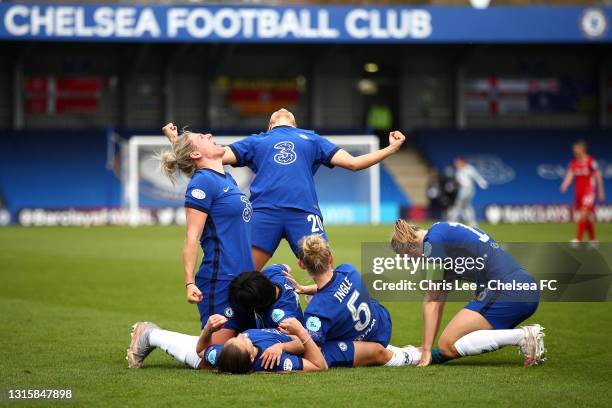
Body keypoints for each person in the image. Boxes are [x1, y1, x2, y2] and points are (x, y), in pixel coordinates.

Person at [163, 109, 406, 270]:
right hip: (263, 213)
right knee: (243, 277)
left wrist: (392, 149)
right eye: (275, 113)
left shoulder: (313, 139)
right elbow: (206, 156)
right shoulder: (256, 141)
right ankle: (235, 334)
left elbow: (353, 163)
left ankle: (320, 332)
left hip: (303, 214)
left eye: (286, 110)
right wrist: (177, 143)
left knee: (324, 276)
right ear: (270, 126)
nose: (281, 109)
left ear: (293, 122)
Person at [391, 219, 546, 367]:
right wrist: (427, 348)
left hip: (507, 290)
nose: (418, 263)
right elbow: (438, 301)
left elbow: (431, 301)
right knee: (457, 343)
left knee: (447, 345)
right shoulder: (443, 235)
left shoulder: (432, 242)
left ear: (410, 249)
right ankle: (525, 337)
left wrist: (426, 351)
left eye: (411, 259)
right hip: (524, 289)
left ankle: (523, 336)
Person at [159, 124, 254, 345]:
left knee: (247, 352)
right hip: (220, 280)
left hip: (244, 280)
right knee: (216, 356)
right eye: (203, 136)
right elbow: (191, 237)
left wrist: (175, 139)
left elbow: (190, 157)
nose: (210, 134)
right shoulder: (202, 182)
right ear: (195, 153)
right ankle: (151, 335)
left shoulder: (226, 179)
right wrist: (189, 283)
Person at [285, 234, 420, 368]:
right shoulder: (348, 270)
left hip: (369, 341)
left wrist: (293, 335)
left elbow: (314, 353)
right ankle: (400, 351)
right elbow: (332, 286)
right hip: (382, 322)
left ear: (301, 264)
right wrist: (305, 289)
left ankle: (403, 356)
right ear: (330, 258)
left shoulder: (315, 311)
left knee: (317, 347)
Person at [127, 316, 328, 373]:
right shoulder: (272, 361)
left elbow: (201, 350)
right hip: (312, 338)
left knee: (200, 360)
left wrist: (208, 330)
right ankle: (150, 334)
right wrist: (300, 333)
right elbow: (320, 364)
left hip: (292, 333)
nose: (243, 337)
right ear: (251, 357)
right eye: (242, 341)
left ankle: (149, 334)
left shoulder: (222, 354)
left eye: (237, 337)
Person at [560, 140, 605, 245]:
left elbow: (598, 176)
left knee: (584, 213)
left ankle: (578, 239)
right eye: (574, 149)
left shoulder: (591, 162)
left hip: (589, 191)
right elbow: (570, 175)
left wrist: (601, 191)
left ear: (582, 149)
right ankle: (593, 240)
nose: (574, 151)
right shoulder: (574, 163)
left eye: (576, 149)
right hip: (578, 192)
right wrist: (565, 185)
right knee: (586, 216)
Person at [448, 157, 487, 227]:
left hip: (467, 189)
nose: (456, 164)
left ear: (462, 162)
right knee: (467, 206)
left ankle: (452, 220)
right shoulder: (458, 171)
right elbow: (458, 181)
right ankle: (472, 222)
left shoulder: (469, 168)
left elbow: (476, 176)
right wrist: (452, 186)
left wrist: (481, 182)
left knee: (458, 204)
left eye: (457, 162)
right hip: (462, 189)